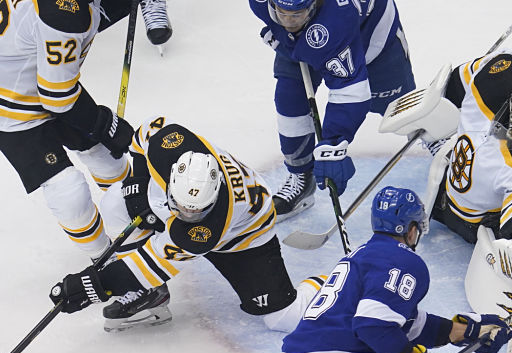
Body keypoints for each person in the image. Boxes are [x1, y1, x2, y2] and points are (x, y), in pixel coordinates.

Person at [249, 186, 512, 353]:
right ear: (411, 230)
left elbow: (407, 325)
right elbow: (374, 327)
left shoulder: (360, 257)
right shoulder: (404, 261)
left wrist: (469, 331)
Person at [382, 51, 512, 353]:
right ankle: (441, 148)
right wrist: (430, 111)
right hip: (448, 193)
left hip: (488, 219)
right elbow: (456, 81)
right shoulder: (496, 72)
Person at [47, 116, 320, 333]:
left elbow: (149, 265)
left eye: (196, 212)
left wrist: (94, 286)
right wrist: (139, 181)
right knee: (116, 203)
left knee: (284, 319)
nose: (188, 216)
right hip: (206, 206)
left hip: (245, 235)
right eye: (182, 209)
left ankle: (338, 282)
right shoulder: (170, 144)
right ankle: (150, 297)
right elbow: (143, 135)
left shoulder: (203, 231)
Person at [249, 0, 416, 221]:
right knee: (289, 98)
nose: (289, 22)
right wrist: (284, 35)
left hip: (370, 36)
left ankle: (436, 141)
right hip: (314, 35)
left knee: (399, 106)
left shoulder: (337, 18)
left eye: (296, 15)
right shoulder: (261, 3)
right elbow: (280, 20)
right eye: (283, 14)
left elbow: (350, 91)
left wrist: (333, 144)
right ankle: (301, 177)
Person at [0, 0, 137, 262]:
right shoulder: (64, 12)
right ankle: (104, 260)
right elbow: (59, 98)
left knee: (106, 160)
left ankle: (135, 217)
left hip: (40, 74)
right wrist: (104, 124)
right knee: (68, 190)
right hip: (11, 108)